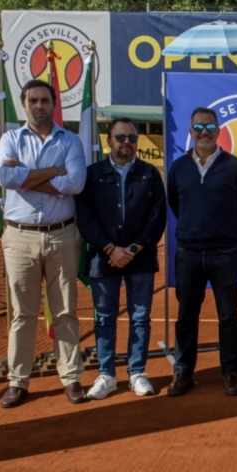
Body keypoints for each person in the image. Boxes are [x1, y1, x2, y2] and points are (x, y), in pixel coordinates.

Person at [0, 79, 87, 408]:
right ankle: (18, 381)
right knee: (23, 314)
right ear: (24, 105)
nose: (39, 106)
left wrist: (27, 176)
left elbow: (76, 183)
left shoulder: (71, 140)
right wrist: (53, 171)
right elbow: (5, 178)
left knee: (65, 311)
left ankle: (71, 377)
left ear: (53, 104)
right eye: (32, 100)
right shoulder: (10, 139)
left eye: (44, 100)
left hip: (62, 234)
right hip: (20, 236)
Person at [166, 107, 237, 397]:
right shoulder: (178, 168)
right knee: (186, 316)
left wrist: (225, 230)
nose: (203, 132)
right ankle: (183, 372)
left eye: (209, 127)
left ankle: (230, 373)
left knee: (228, 315)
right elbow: (175, 203)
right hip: (188, 253)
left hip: (225, 253)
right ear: (190, 132)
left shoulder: (235, 167)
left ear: (218, 131)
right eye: (197, 127)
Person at [77, 118, 167, 399]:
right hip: (103, 258)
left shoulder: (150, 173)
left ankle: (137, 372)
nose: (126, 142)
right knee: (105, 319)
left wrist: (134, 248)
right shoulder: (92, 174)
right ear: (109, 141)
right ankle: (107, 375)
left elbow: (157, 216)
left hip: (140, 257)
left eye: (132, 137)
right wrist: (110, 249)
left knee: (140, 318)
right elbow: (85, 216)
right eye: (120, 137)